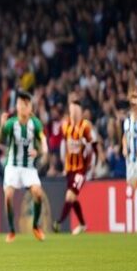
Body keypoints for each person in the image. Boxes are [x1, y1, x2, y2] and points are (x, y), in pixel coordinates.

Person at [0, 90, 48, 243]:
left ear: (30, 107)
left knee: (38, 194)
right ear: (17, 106)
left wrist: (40, 152)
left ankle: (35, 226)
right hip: (12, 166)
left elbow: (42, 142)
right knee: (8, 196)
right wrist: (1, 126)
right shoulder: (12, 123)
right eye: (20, 103)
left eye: (26, 104)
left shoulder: (35, 124)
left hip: (29, 168)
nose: (23, 107)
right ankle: (12, 230)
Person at [53, 93, 94, 235]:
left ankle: (58, 223)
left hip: (81, 169)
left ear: (80, 111)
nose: (73, 113)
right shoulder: (65, 126)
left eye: (76, 110)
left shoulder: (85, 126)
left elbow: (90, 149)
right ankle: (83, 224)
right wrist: (64, 163)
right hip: (69, 169)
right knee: (73, 198)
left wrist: (90, 168)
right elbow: (63, 144)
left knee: (70, 196)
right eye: (71, 110)